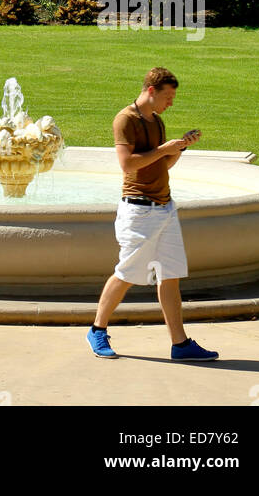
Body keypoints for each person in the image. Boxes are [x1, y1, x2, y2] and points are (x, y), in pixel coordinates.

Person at [86, 67, 218, 361]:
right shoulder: (126, 119)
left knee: (170, 276)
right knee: (126, 273)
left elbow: (161, 166)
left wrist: (178, 148)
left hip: (165, 208)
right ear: (151, 91)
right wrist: (164, 150)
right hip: (139, 210)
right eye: (167, 96)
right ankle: (97, 329)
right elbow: (128, 164)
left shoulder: (157, 121)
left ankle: (180, 344)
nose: (170, 103)